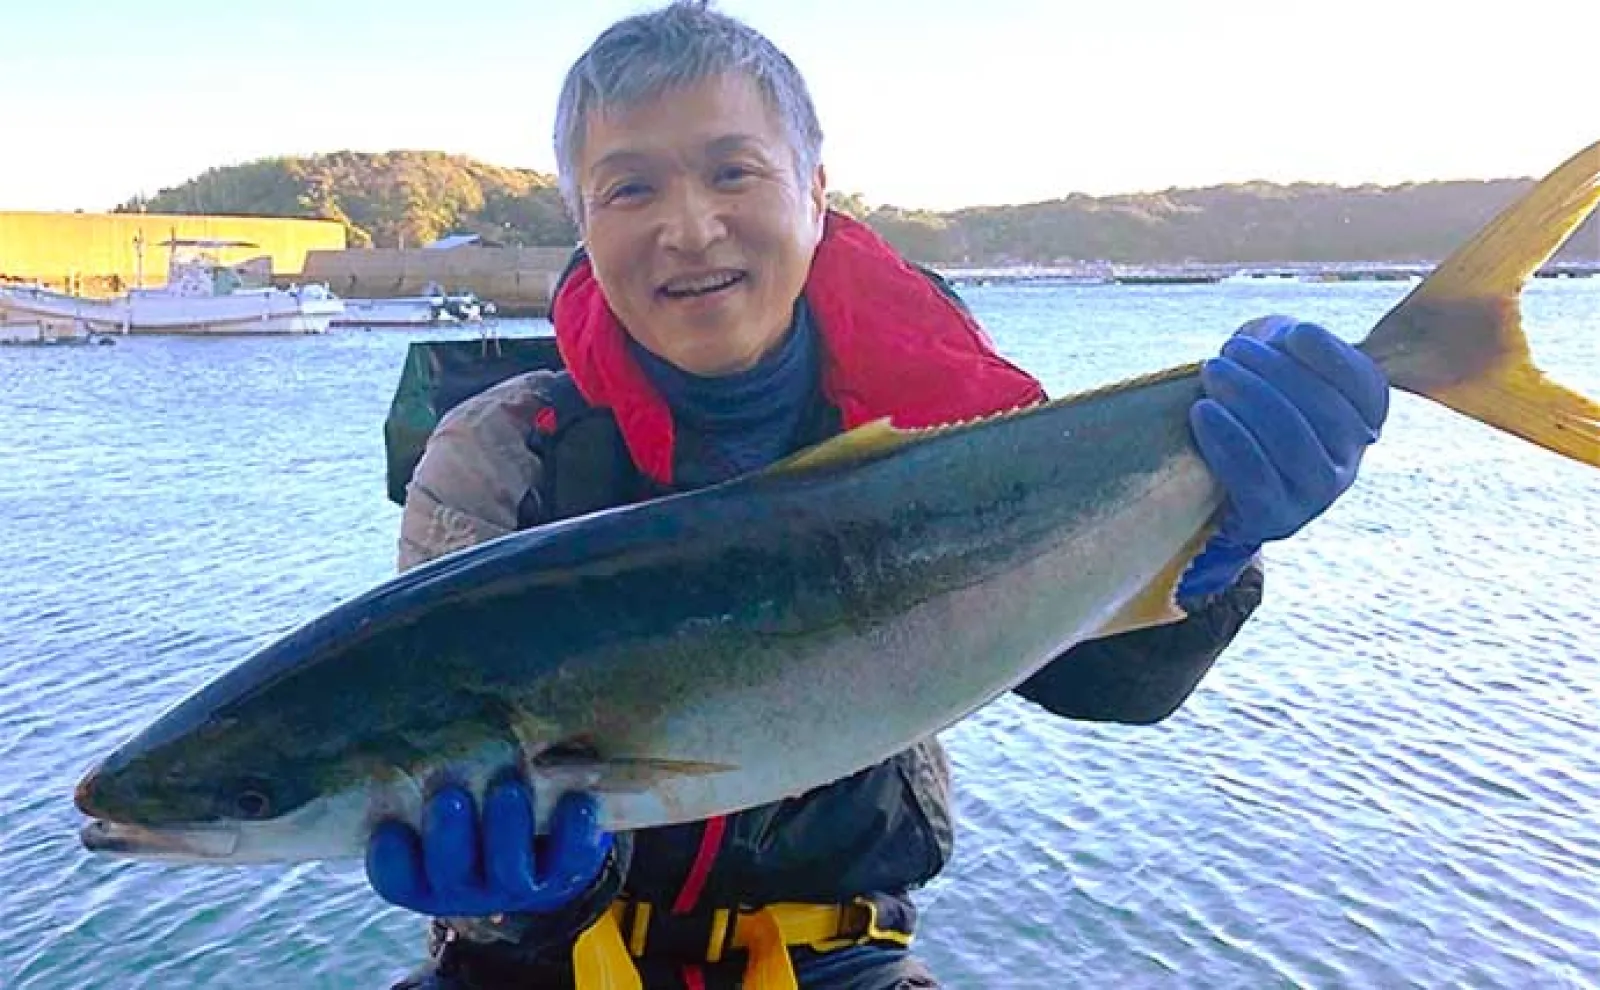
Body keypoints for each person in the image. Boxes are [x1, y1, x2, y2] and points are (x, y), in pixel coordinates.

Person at [367, 3, 1390, 988]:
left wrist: (1215, 544)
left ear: (815, 194)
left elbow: (1103, 685)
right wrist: (520, 902)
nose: (689, 226)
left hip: (843, 962)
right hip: (534, 970)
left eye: (734, 171)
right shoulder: (499, 453)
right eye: (628, 190)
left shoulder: (954, 430)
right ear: (581, 224)